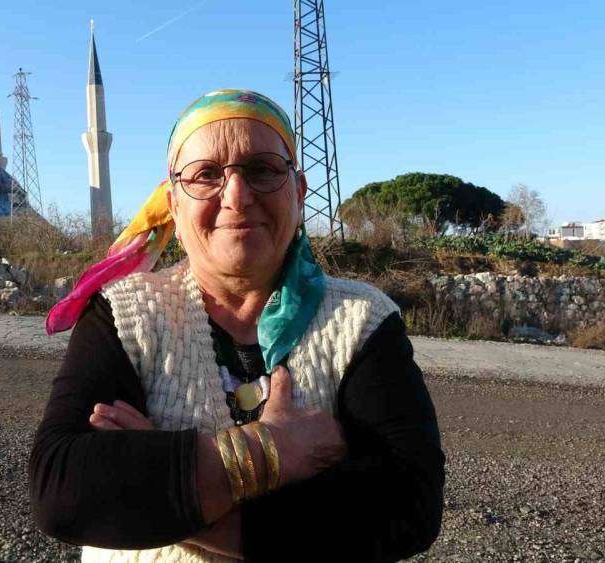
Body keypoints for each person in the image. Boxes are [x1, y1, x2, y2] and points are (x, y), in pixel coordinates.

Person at [29, 89, 445, 562]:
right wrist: (271, 450)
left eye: (262, 169)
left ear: (299, 191)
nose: (237, 196)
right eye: (206, 174)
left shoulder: (361, 320)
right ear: (173, 203)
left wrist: (169, 488)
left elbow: (407, 507)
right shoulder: (124, 314)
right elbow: (62, 490)